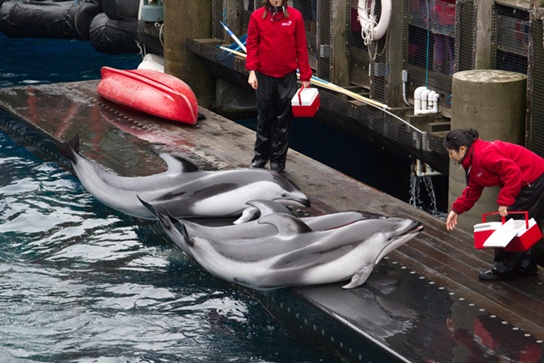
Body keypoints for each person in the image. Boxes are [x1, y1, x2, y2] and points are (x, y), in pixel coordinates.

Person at [443, 128, 544, 280]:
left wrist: (504, 202)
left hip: (532, 178)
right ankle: (525, 265)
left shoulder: (485, 154)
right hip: (527, 181)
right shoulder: (471, 162)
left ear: (462, 149)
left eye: (451, 153)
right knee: (522, 223)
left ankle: (503, 269)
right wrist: (456, 210)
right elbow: (473, 188)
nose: (450, 156)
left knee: (510, 223)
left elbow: (513, 173)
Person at [245, 0, 312, 173]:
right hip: (264, 75)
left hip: (287, 76)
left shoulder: (295, 17)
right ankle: (260, 157)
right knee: (264, 118)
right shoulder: (256, 16)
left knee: (283, 121)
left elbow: (301, 47)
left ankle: (278, 161)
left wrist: (305, 75)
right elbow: (252, 45)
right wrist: (252, 71)